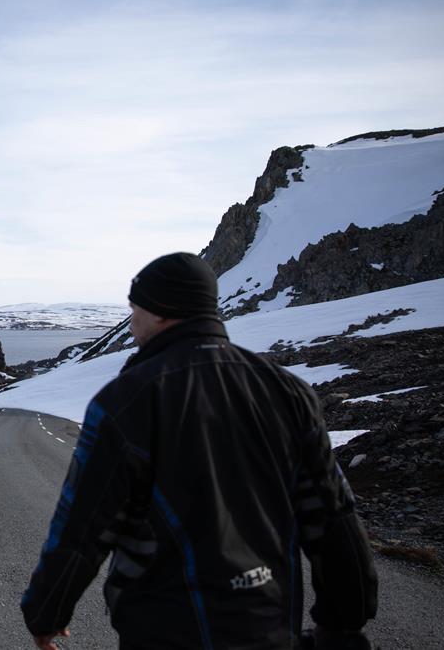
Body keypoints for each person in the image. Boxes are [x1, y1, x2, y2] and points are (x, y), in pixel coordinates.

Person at [21, 252, 378, 650]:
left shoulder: (127, 400)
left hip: (164, 629)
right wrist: (346, 622)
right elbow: (332, 517)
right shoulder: (288, 390)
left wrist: (46, 613)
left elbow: (83, 525)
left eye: (135, 305)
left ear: (161, 310)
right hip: (271, 625)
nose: (132, 317)